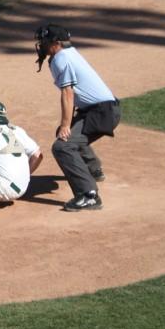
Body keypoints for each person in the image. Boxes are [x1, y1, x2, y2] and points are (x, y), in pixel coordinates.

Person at [34, 23, 120, 211]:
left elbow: (68, 93)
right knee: (69, 135)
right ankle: (92, 170)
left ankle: (88, 195)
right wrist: (66, 125)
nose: (42, 45)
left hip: (101, 112)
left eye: (45, 42)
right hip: (100, 109)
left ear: (56, 43)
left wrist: (65, 125)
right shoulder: (68, 54)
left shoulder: (61, 59)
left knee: (63, 145)